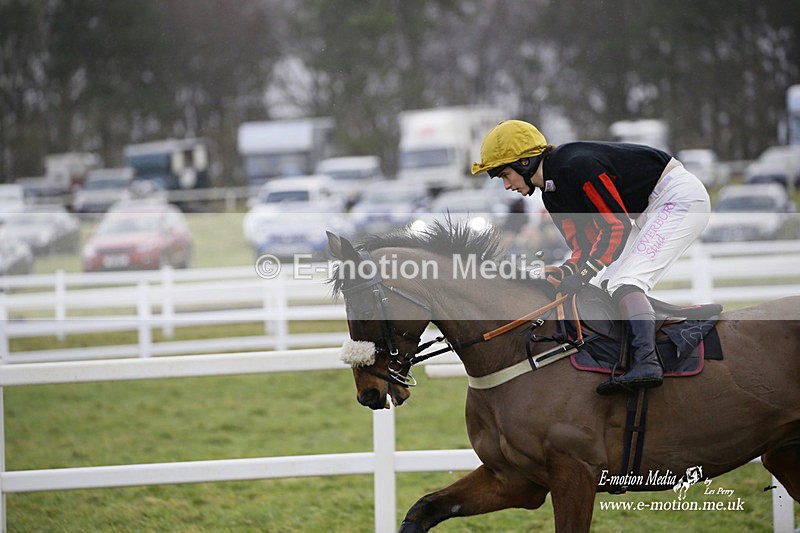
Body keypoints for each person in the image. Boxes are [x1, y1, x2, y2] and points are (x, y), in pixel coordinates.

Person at [471, 120, 711, 391]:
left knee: (625, 282)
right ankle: (629, 356)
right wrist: (563, 273)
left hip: (678, 198)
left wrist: (583, 273)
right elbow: (583, 247)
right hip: (649, 208)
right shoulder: (552, 193)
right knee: (604, 284)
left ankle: (647, 362)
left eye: (504, 175)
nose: (506, 186)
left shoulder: (575, 166)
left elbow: (616, 225)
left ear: (524, 163)